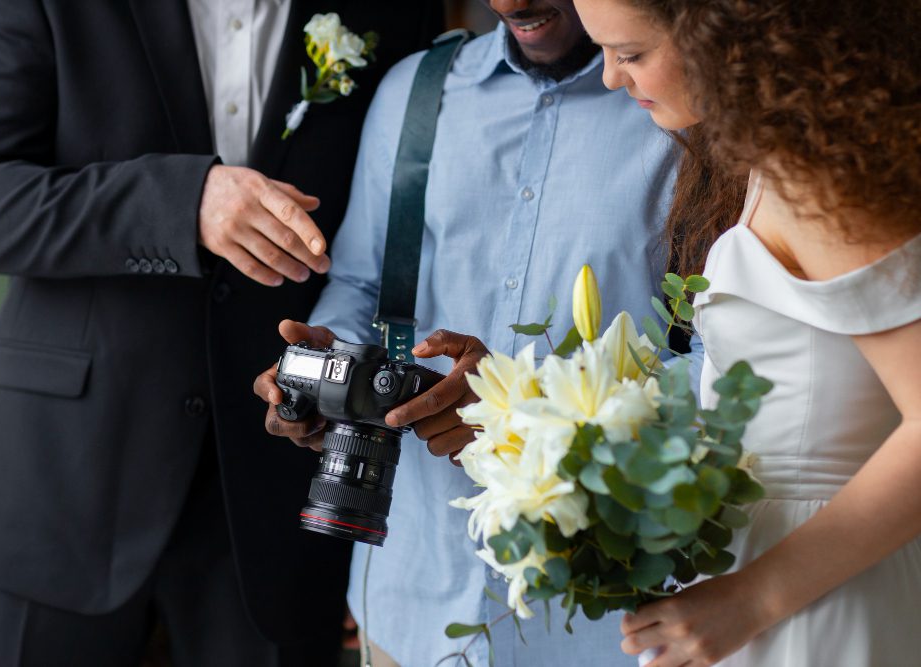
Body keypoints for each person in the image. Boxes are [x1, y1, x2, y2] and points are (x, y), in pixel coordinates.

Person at [0, 1, 442, 665]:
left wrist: (379, 546)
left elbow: (401, 238)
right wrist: (182, 204)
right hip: (60, 487)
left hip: (282, 503)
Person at [254, 1, 679, 664]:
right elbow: (365, 282)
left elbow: (714, 353)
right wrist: (323, 369)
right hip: (412, 601)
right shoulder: (412, 93)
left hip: (602, 622)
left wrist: (519, 415)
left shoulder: (672, 102)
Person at [572, 0, 921, 665]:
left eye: (632, 54)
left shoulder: (812, 175)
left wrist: (755, 598)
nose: (613, 79)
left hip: (815, 595)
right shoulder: (775, 160)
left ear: (724, 32)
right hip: (775, 570)